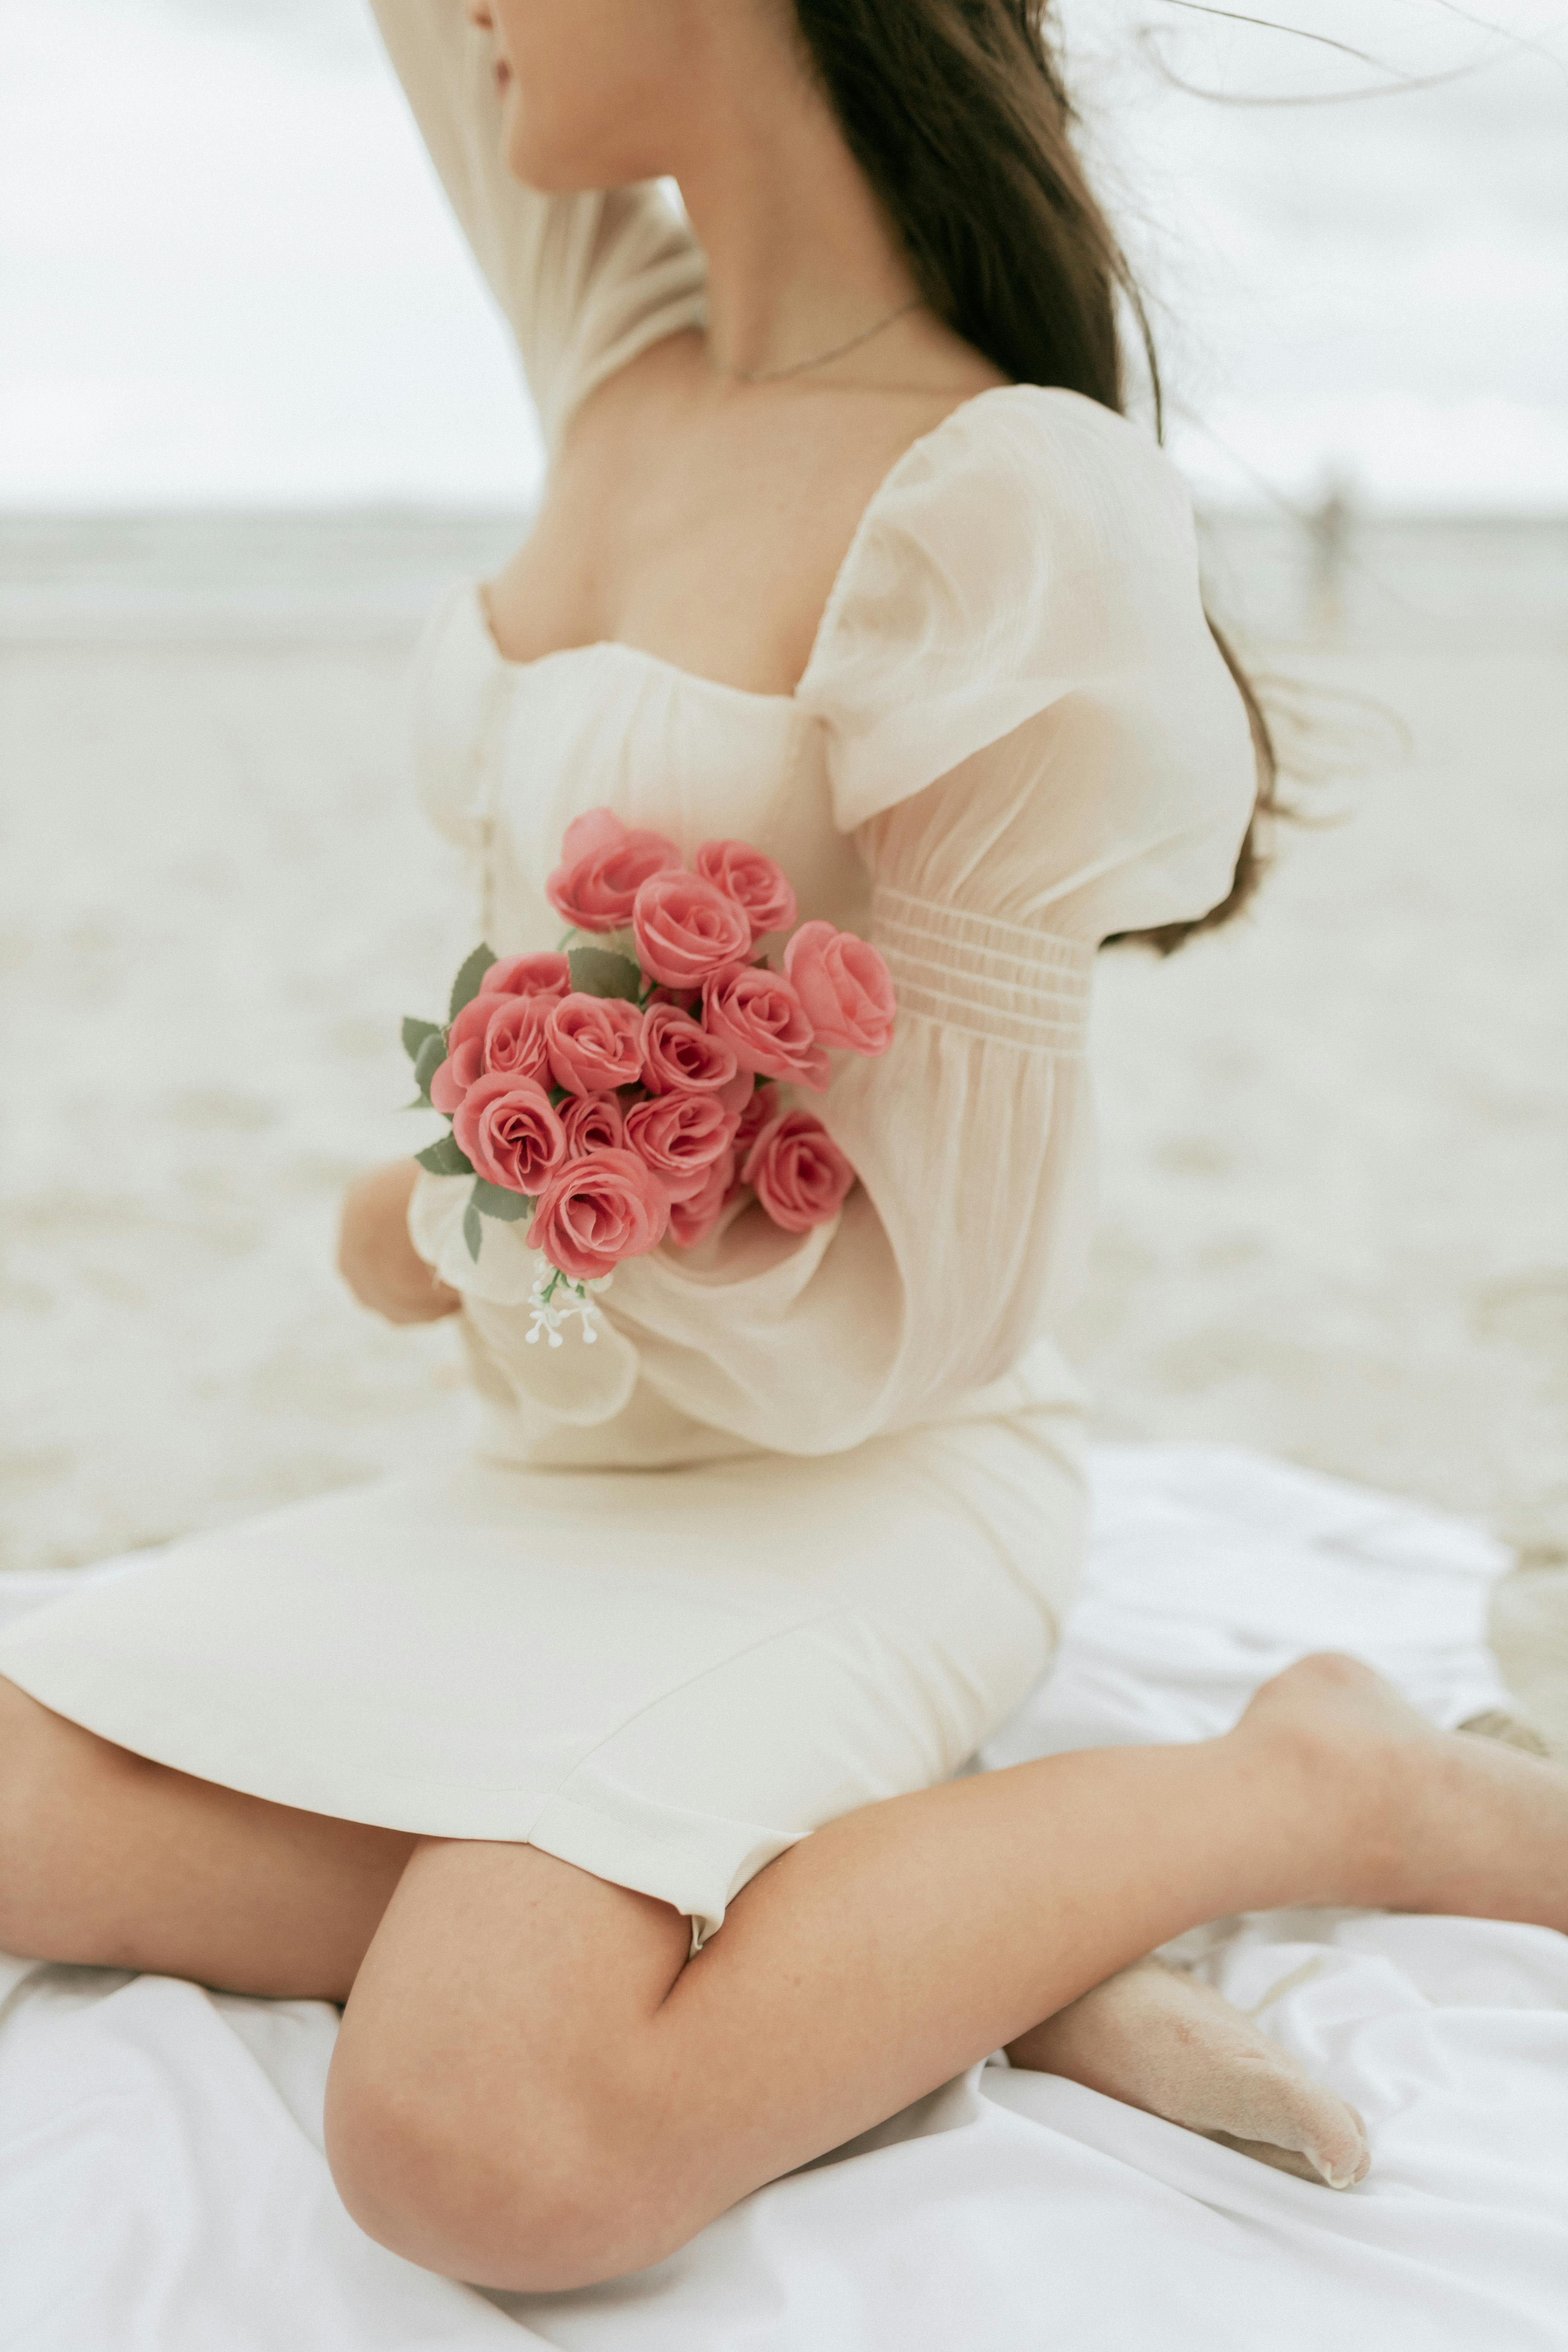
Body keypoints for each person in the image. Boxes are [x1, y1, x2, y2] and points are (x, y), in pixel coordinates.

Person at [1, 0, 1563, 2297]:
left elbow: (944, 1315)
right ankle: (944, 1943)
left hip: (874, 1481)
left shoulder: (1003, 504)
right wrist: (522, 1186)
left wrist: (464, 1202)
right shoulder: (620, 355)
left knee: (480, 2137)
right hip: (572, 1493)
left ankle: (1310, 1786)